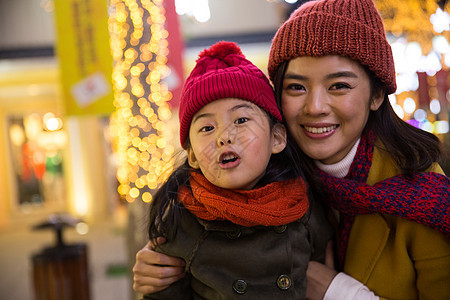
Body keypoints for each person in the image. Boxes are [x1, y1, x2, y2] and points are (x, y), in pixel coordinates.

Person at [133, 0, 450, 299]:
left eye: (339, 85)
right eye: (296, 87)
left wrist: (338, 291)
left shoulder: (424, 198)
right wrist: (161, 263)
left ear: (377, 94)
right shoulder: (267, 178)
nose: (315, 107)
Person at [141, 40, 333, 299]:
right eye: (207, 128)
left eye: (241, 120)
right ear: (193, 156)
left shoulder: (302, 200)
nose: (224, 137)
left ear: (276, 138)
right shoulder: (182, 219)